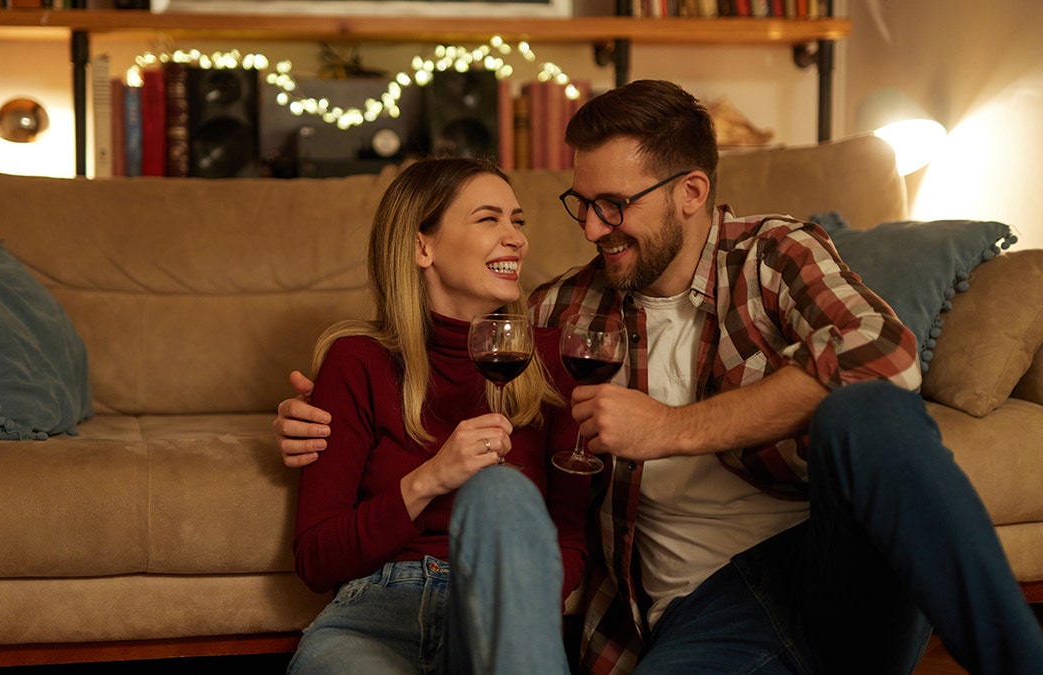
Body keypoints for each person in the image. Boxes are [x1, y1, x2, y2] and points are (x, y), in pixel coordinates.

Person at [276, 81, 1043, 674]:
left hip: (828, 568)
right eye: (581, 204)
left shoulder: (773, 254)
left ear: (691, 193)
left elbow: (888, 358)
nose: (590, 227)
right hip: (700, 617)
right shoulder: (564, 312)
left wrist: (670, 429)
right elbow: (444, 348)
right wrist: (317, 411)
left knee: (865, 413)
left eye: (614, 205)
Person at [284, 156, 590, 675]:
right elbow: (316, 558)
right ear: (422, 246)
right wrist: (430, 478)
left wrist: (516, 606)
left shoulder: (551, 360)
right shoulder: (357, 360)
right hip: (374, 617)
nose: (515, 237)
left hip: (497, 622)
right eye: (488, 218)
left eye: (517, 221)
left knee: (502, 492)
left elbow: (568, 538)